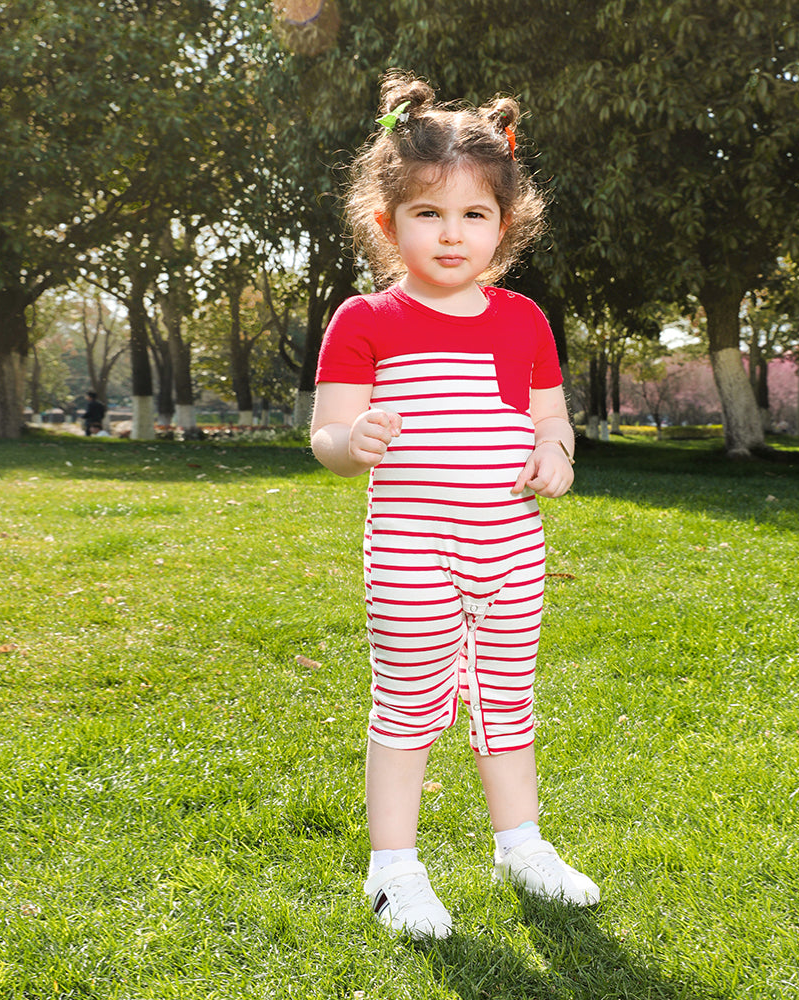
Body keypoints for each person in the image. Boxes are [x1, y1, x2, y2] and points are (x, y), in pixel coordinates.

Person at [310, 70, 599, 940]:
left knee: (509, 699)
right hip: (411, 546)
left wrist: (555, 453)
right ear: (385, 222)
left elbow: (552, 420)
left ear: (503, 227)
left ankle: (522, 845)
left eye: (474, 215)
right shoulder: (365, 319)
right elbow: (325, 436)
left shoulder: (523, 322)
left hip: (511, 548)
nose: (451, 233)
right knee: (408, 703)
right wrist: (349, 443)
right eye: (428, 213)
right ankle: (393, 868)